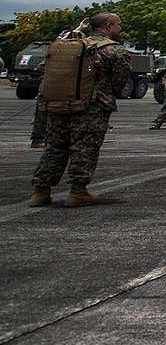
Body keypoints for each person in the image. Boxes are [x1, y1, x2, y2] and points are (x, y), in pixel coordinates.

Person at [28, 12, 130, 207]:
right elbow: (119, 82)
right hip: (91, 107)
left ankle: (40, 191)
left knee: (55, 148)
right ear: (108, 26)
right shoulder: (113, 50)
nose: (120, 27)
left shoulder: (68, 46)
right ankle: (78, 191)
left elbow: (43, 68)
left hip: (59, 104)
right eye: (118, 24)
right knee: (84, 148)